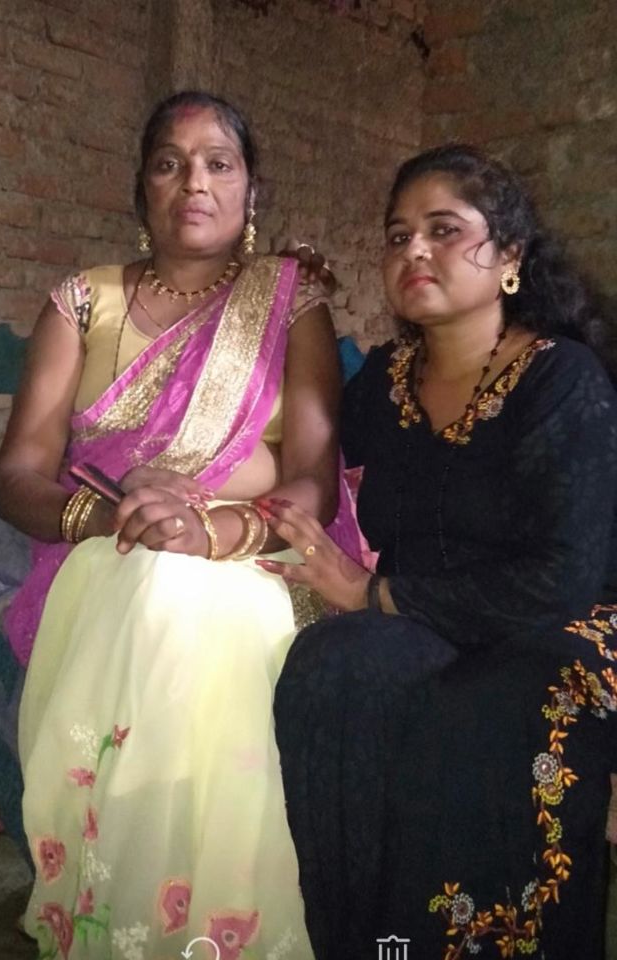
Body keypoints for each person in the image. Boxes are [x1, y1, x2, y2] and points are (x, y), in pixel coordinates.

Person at [0, 90, 359, 960]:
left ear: (249, 191)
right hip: (102, 549)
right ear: (142, 189)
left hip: (254, 552)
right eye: (170, 163)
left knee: (179, 598)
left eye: (218, 163)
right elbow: (16, 475)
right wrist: (110, 516)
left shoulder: (292, 304)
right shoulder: (83, 302)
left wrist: (216, 532)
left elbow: (315, 478)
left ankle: (186, 920)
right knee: (152, 585)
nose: (194, 181)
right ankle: (128, 918)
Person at [261, 144, 617, 960]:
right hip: (426, 617)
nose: (414, 250)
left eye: (444, 230)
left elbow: (562, 580)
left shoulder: (561, 379)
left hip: (564, 625)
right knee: (332, 668)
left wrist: (375, 595)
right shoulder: (382, 384)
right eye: (398, 236)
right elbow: (301, 454)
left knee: (472, 715)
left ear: (510, 257)